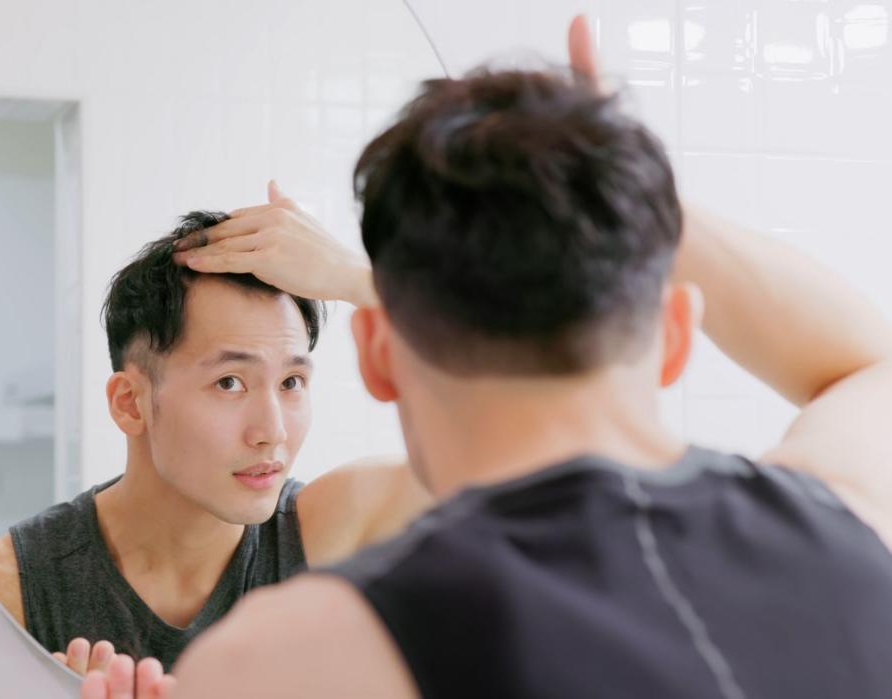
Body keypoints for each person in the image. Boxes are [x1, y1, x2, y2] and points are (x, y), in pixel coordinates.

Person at [80, 15, 892, 699]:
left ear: (377, 353)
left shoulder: (295, 660)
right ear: (676, 331)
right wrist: (629, 188)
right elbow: (866, 363)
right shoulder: (846, 530)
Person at [0, 209, 433, 676]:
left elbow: (504, 459)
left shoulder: (334, 533)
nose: (272, 431)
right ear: (130, 403)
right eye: (230, 382)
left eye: (291, 382)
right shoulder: (9, 591)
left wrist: (360, 280)